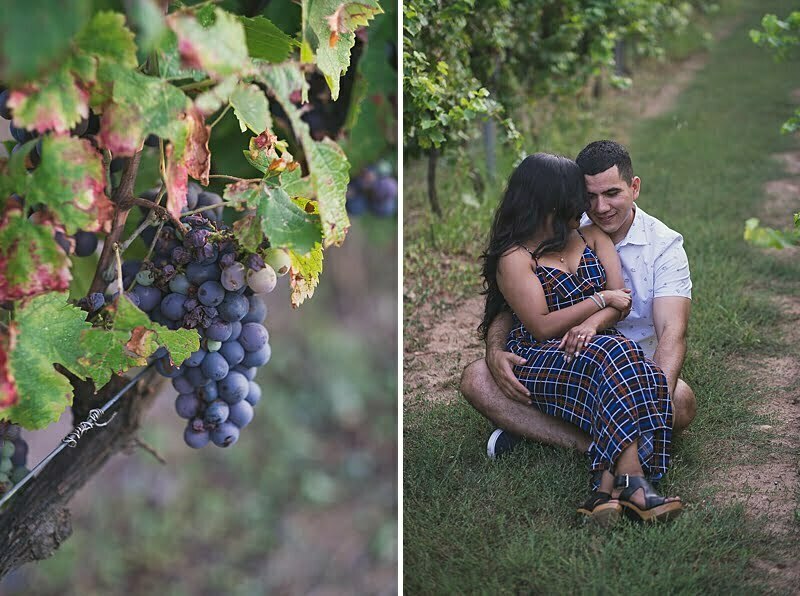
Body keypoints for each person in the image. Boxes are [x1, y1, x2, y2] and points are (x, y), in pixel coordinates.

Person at [473, 150, 684, 523]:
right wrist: (598, 299)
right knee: (616, 353)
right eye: (585, 198)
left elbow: (642, 314)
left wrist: (593, 322)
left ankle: (602, 491)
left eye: (611, 195)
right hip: (548, 355)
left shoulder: (616, 238)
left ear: (634, 188)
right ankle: (633, 484)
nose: (594, 207)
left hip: (606, 354)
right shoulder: (518, 255)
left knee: (632, 364)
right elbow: (537, 323)